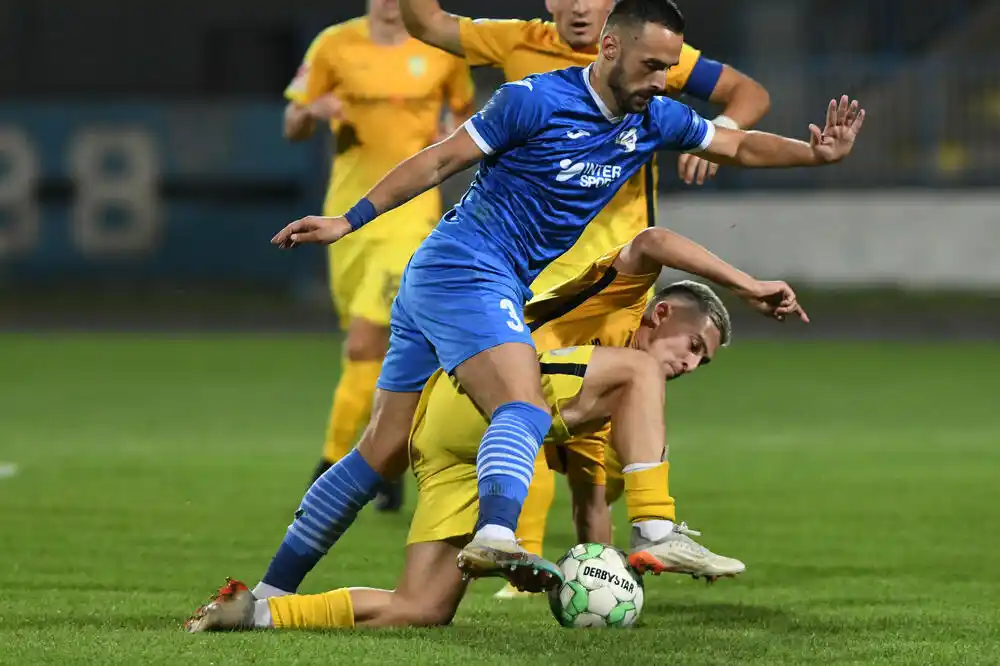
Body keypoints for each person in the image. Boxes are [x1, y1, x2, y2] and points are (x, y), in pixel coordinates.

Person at [263, 0, 864, 597]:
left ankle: (266, 597)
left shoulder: (654, 117)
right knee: (522, 405)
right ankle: (501, 535)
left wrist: (818, 153)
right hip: (466, 267)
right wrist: (349, 219)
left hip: (464, 280)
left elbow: (737, 146)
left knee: (381, 451)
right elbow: (441, 159)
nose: (661, 81)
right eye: (652, 66)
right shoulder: (533, 100)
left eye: (669, 68)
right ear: (610, 48)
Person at [397, 0, 772, 596]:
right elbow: (425, 25)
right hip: (530, 269)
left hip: (610, 269)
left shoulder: (656, 57)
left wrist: (720, 136)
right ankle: (522, 544)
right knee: (531, 405)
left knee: (597, 450)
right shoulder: (515, 43)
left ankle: (579, 566)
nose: (579, 6)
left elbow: (745, 92)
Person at [187, 267, 786, 632]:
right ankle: (657, 527)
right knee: (640, 374)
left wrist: (601, 580)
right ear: (660, 314)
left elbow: (589, 504)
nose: (691, 364)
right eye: (693, 347)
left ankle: (258, 612)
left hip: (455, 447)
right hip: (474, 387)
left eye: (700, 362)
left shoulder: (623, 411)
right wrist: (748, 284)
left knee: (421, 608)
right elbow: (651, 240)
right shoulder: (617, 322)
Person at [283, 0, 475, 510]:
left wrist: (451, 135)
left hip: (409, 218)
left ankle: (329, 469)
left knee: (366, 344)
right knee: (370, 347)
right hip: (344, 218)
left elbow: (466, 115)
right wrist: (310, 111)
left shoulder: (441, 48)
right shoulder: (334, 44)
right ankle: (386, 461)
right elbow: (292, 121)